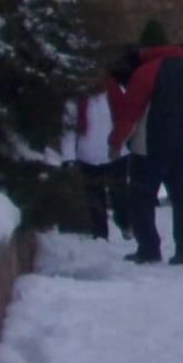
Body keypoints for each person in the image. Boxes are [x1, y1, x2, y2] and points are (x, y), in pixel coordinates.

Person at [113, 22, 183, 266]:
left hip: (151, 147)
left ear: (146, 47)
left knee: (142, 198)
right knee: (182, 199)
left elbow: (131, 112)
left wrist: (116, 141)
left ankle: (149, 249)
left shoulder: (145, 73)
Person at [59, 68, 124, 239]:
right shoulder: (74, 101)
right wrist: (69, 157)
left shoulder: (114, 93)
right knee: (94, 197)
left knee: (120, 194)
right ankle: (100, 234)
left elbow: (126, 119)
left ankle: (126, 224)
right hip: (87, 156)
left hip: (115, 154)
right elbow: (68, 131)